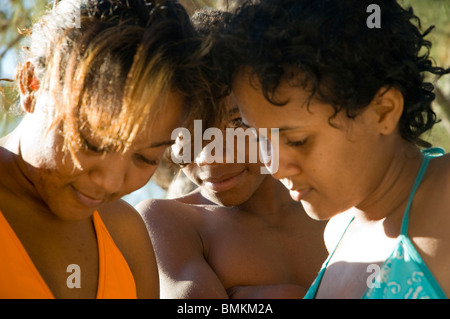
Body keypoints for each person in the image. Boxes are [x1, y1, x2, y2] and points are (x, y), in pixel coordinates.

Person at [213, 0, 450, 298]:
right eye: (260, 138)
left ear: (383, 111)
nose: (274, 167)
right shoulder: (337, 231)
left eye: (298, 140)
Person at [0, 0, 209, 299]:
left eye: (145, 158)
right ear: (31, 85)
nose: (111, 182)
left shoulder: (126, 235)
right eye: (92, 143)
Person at [136, 8, 328, 299]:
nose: (209, 157)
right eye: (184, 131)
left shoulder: (335, 202)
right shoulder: (170, 222)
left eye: (236, 122)